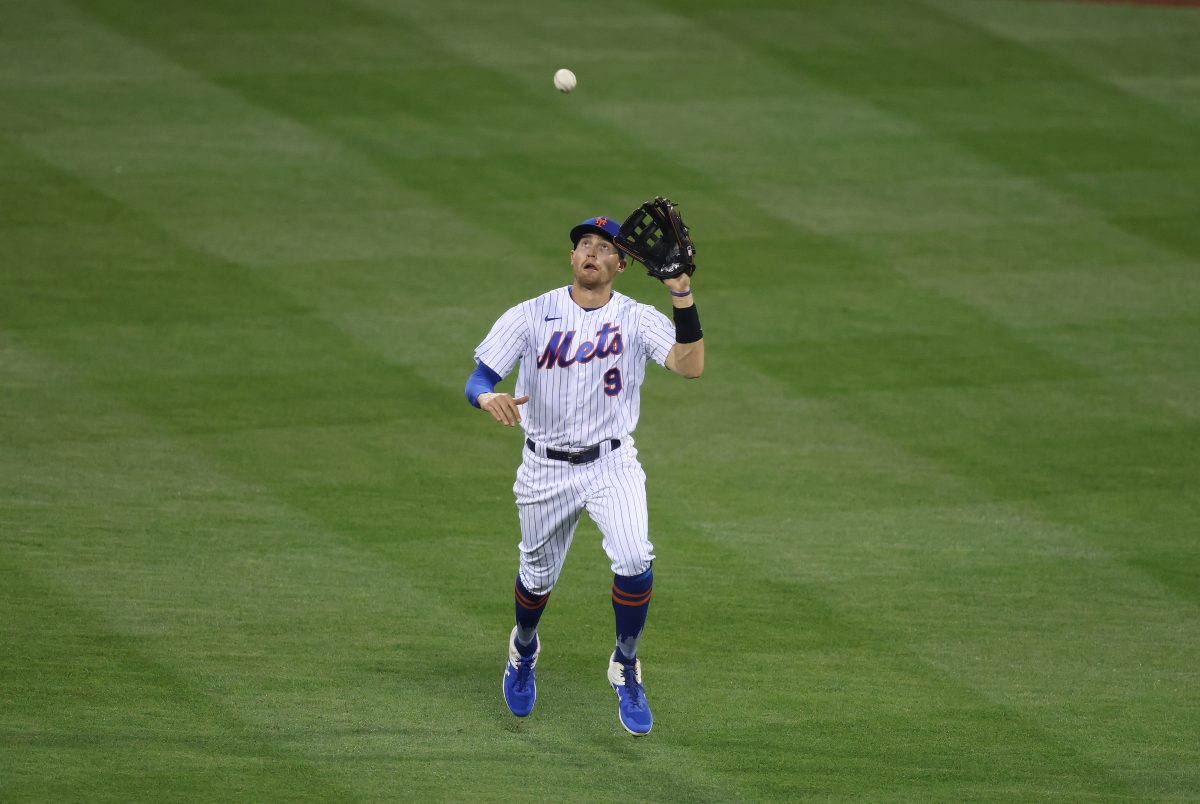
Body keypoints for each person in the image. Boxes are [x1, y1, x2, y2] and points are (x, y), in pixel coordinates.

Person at [464, 213, 704, 736]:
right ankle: (524, 647)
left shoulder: (638, 318)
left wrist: (682, 295)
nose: (592, 252)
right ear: (572, 259)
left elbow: (690, 365)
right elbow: (479, 376)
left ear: (621, 263)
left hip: (612, 462)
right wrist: (487, 396)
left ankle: (625, 663)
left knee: (635, 556)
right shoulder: (531, 315)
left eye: (604, 247)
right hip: (544, 467)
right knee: (536, 578)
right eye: (584, 245)